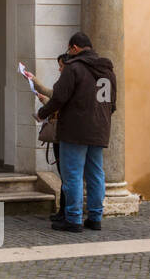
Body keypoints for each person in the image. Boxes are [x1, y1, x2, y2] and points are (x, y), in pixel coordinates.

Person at [36, 32, 116, 232]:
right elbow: (112, 104)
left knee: (73, 175)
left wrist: (42, 112)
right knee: (96, 174)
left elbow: (59, 98)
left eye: (69, 50)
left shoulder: (74, 68)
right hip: (100, 130)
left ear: (74, 48)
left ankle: (73, 219)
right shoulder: (108, 70)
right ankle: (95, 217)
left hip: (75, 130)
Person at [26, 54, 69, 221]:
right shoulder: (65, 82)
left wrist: (45, 107)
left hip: (63, 133)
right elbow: (54, 99)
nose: (59, 69)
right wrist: (44, 98)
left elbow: (59, 103)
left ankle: (67, 212)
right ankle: (64, 211)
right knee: (65, 174)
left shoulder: (68, 82)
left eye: (61, 66)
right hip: (62, 133)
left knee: (67, 175)